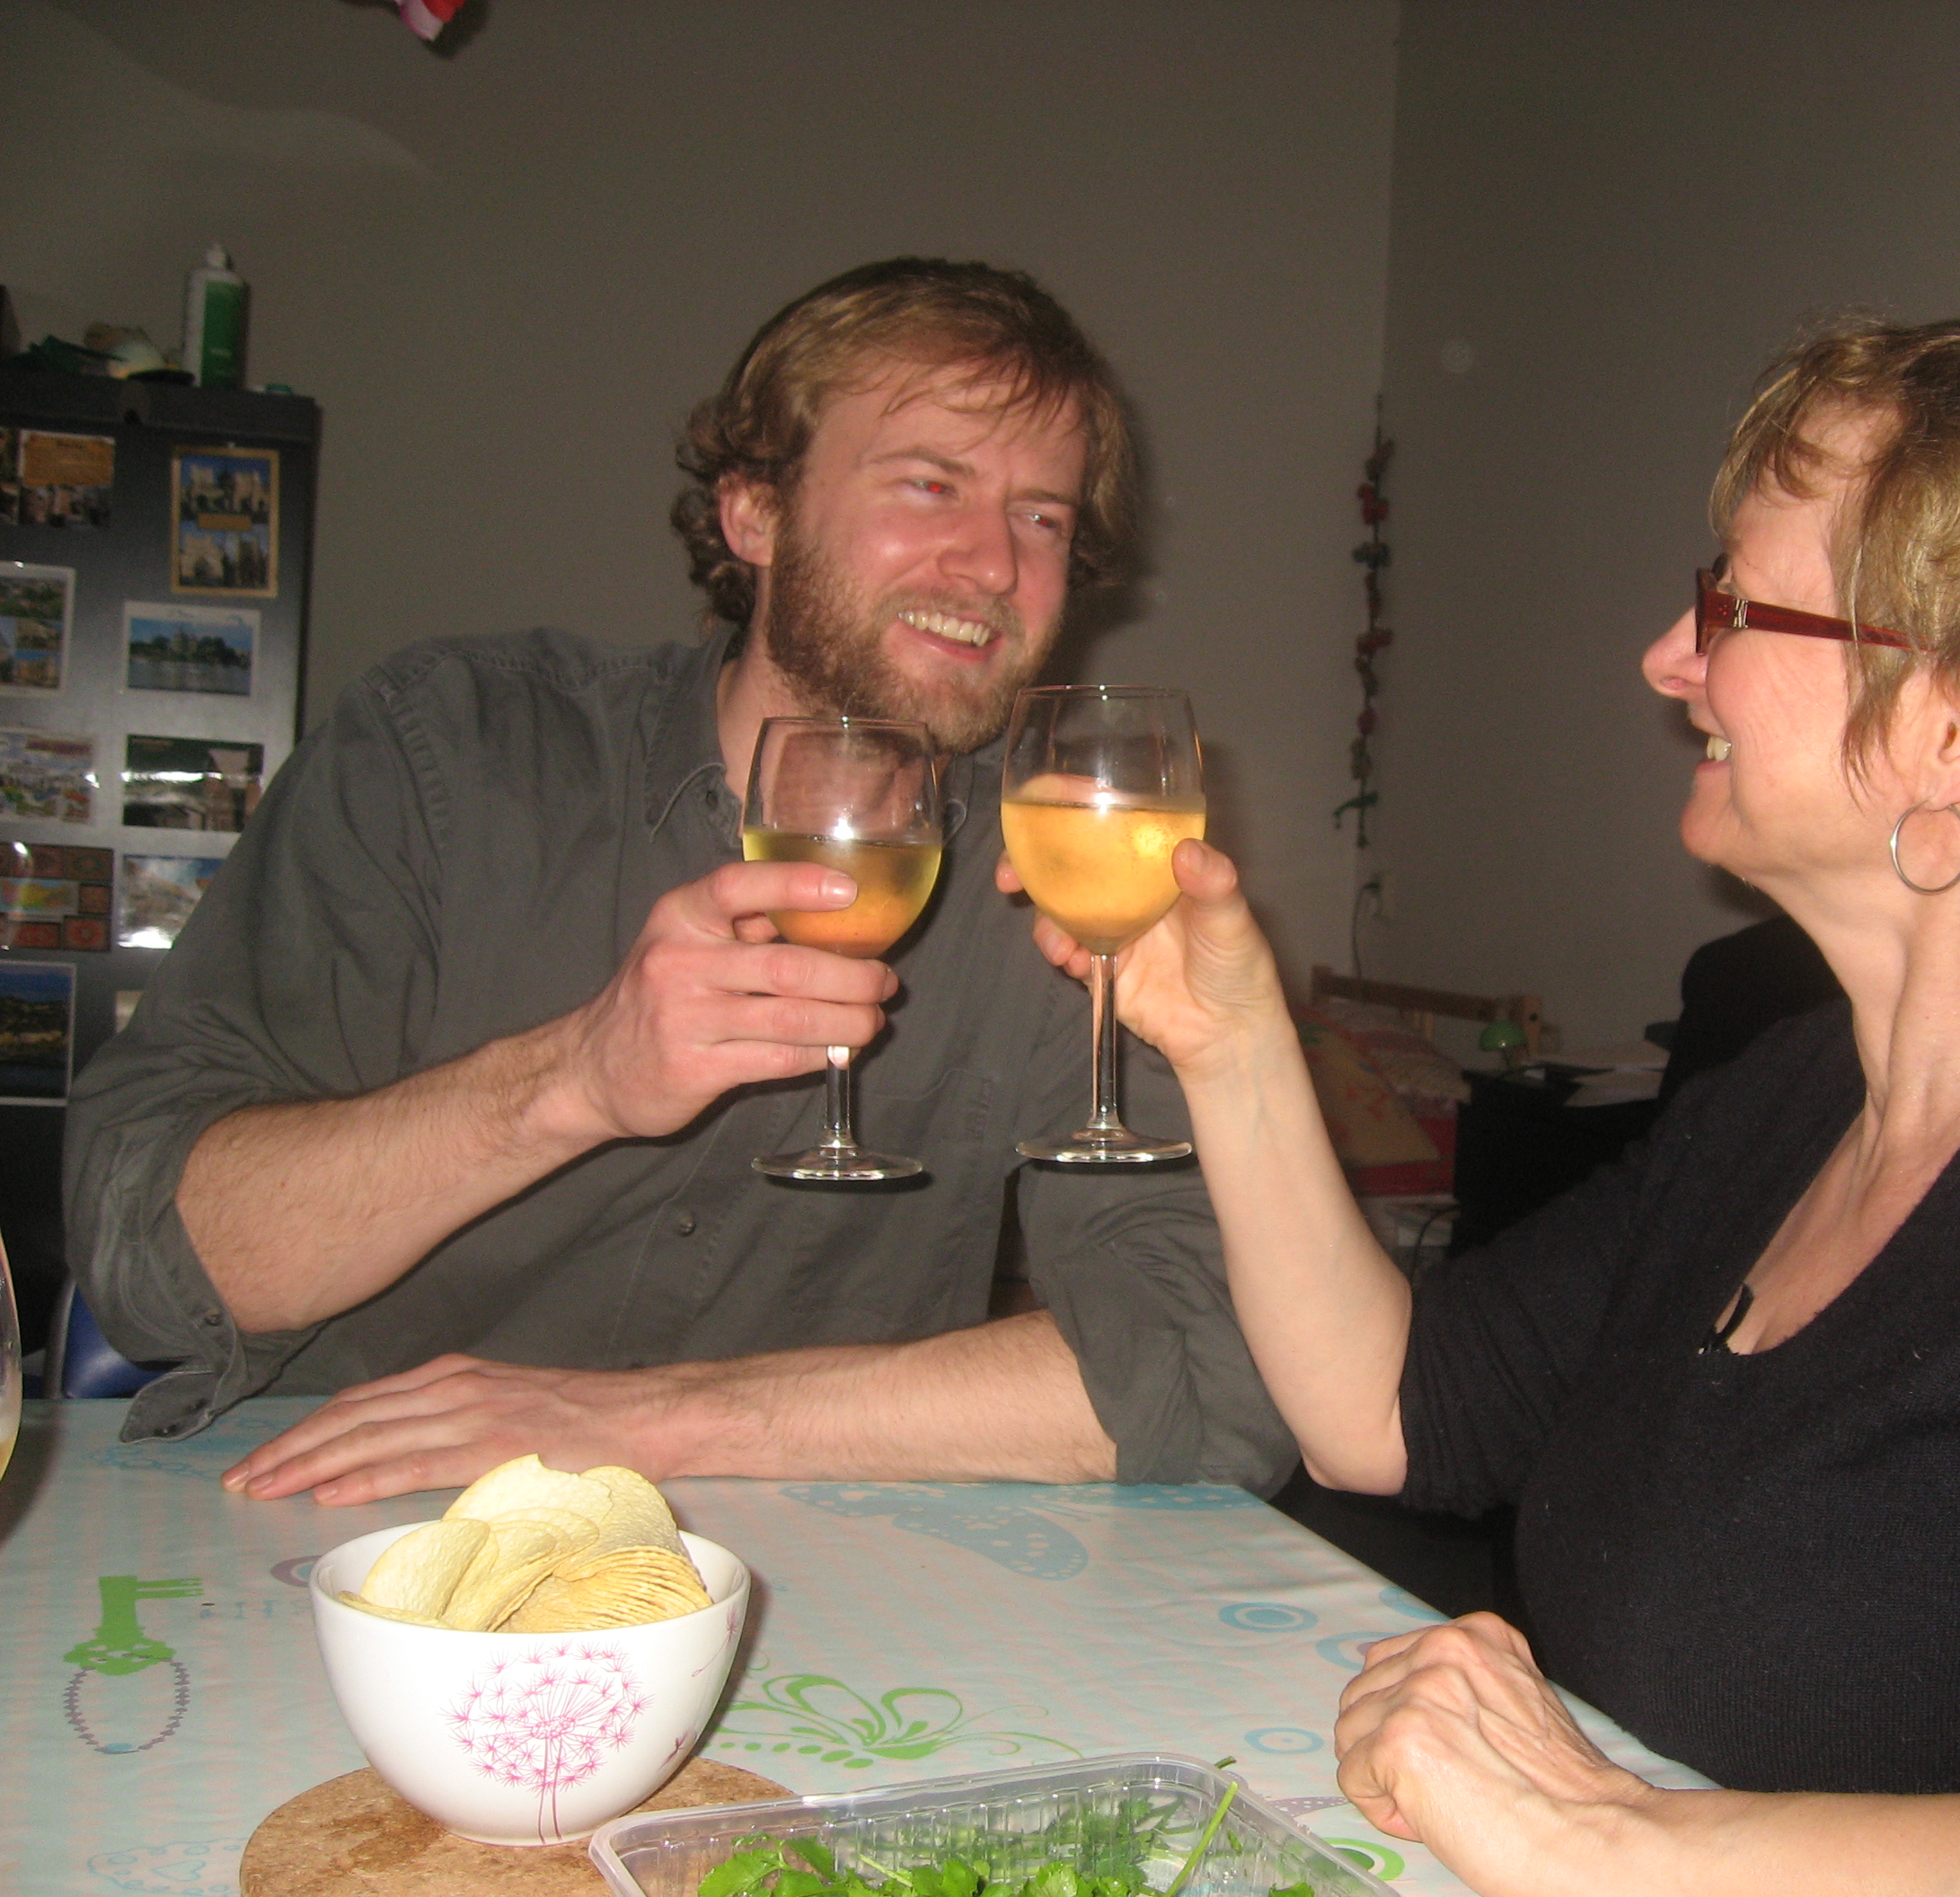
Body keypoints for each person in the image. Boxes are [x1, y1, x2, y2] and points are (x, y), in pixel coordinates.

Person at [1011, 321, 1960, 1895]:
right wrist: (1231, 1042)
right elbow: (1394, 1414)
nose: (1671, 659)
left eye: (1731, 604)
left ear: (1959, 729)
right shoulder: (1792, 1099)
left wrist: (1613, 1841)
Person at [66, 257, 1293, 1503]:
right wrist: (571, 1081)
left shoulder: (1055, 881)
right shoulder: (450, 751)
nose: (991, 563)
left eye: (1042, 518)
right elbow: (148, 1252)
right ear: (753, 513)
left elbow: (1230, 1369)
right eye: (931, 483)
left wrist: (670, 1424)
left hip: (819, 1569)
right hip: (354, 1531)